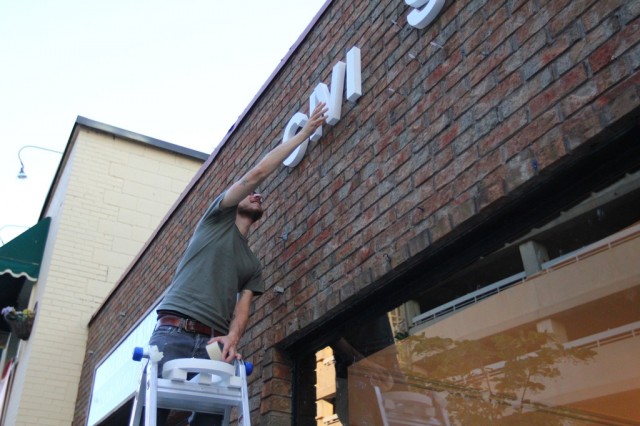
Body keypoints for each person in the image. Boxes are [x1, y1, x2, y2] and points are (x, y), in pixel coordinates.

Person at [147, 102, 328, 426]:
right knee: (155, 414)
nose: (257, 194)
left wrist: (232, 340)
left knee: (211, 418)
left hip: (213, 343)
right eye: (251, 194)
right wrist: (303, 135)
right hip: (174, 333)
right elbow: (257, 172)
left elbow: (241, 314)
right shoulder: (215, 220)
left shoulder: (252, 265)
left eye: (260, 196)